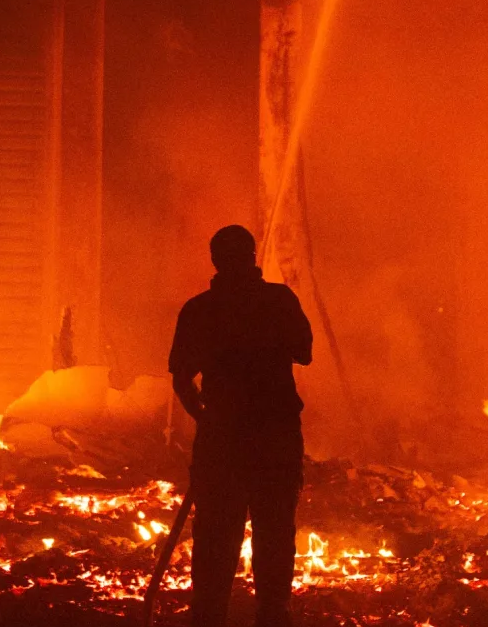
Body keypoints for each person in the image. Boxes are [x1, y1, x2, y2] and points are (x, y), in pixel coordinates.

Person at [169, 225, 312, 627]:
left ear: (215, 260)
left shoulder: (199, 310)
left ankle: (210, 616)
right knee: (274, 534)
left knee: (216, 536)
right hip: (275, 439)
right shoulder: (279, 301)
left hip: (224, 441)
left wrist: (206, 419)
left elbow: (181, 379)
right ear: (253, 258)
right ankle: (273, 615)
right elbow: (305, 352)